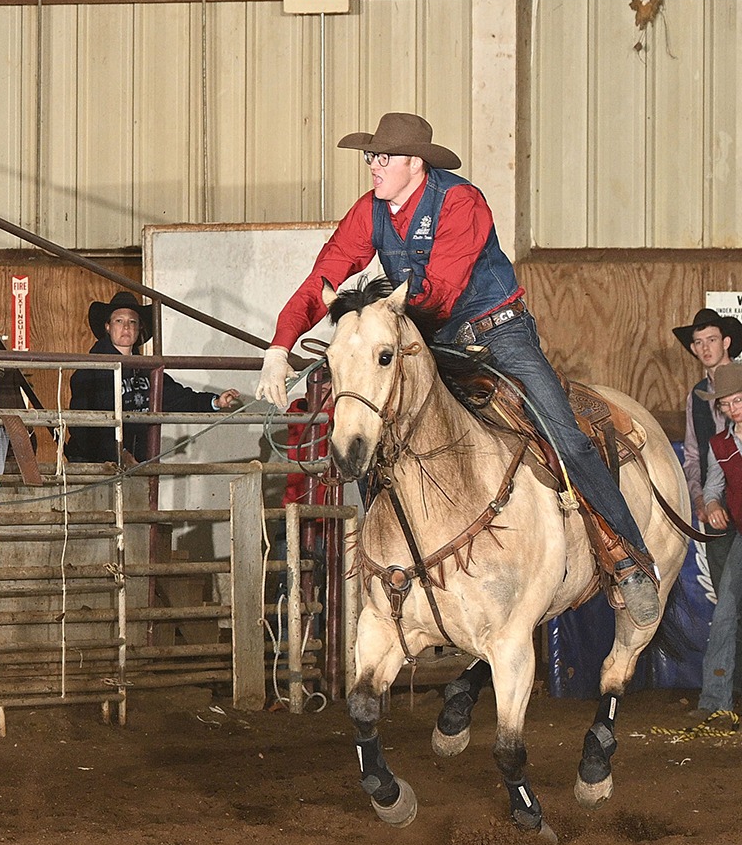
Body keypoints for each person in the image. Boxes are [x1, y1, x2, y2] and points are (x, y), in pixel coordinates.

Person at [256, 111, 663, 623]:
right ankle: (395, 562)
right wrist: (280, 344)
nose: (373, 167)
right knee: (378, 431)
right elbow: (326, 274)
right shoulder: (371, 211)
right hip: (430, 338)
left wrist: (381, 310)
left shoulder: (461, 201)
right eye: (371, 157)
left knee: (565, 435)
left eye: (383, 158)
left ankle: (629, 560)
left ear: (414, 163)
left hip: (498, 332)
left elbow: (442, 293)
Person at [67, 290, 238, 464]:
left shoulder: (147, 369)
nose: (126, 327)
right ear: (108, 327)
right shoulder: (88, 371)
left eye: (132, 321)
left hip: (135, 462)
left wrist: (215, 402)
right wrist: (118, 453)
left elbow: (177, 397)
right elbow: (83, 426)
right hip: (94, 465)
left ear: (139, 328)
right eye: (119, 321)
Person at [681, 309, 742, 586]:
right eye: (699, 342)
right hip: (716, 505)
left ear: (726, 342)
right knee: (725, 594)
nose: (706, 348)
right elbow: (692, 456)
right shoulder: (695, 396)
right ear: (693, 348)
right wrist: (701, 501)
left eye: (712, 340)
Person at [698, 363, 742, 718]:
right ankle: (714, 702)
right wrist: (711, 504)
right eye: (726, 404)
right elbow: (713, 486)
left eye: (738, 400)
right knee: (726, 611)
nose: (733, 409)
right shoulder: (720, 445)